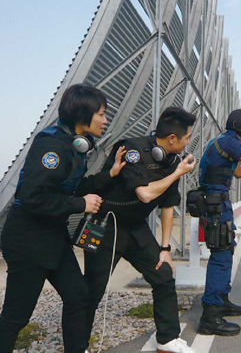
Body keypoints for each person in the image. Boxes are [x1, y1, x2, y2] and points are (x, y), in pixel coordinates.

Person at [0, 84, 126, 353]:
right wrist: (81, 204)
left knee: (79, 298)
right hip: (28, 241)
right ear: (82, 115)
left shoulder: (76, 146)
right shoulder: (53, 146)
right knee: (16, 317)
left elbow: (72, 187)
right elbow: (32, 196)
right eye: (101, 114)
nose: (106, 120)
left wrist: (110, 175)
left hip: (53, 239)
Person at [83, 107, 198, 353]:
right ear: (171, 139)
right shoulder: (132, 150)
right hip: (107, 225)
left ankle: (167, 339)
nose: (189, 142)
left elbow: (168, 204)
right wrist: (177, 173)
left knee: (163, 274)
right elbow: (145, 194)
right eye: (187, 137)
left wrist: (166, 248)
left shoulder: (172, 161)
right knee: (92, 289)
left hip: (136, 228)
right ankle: (77, 345)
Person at [197, 109, 241, 336]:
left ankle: (221, 300)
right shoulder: (231, 142)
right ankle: (210, 314)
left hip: (216, 204)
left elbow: (239, 172)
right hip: (217, 205)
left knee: (225, 251)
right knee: (221, 257)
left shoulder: (222, 142)